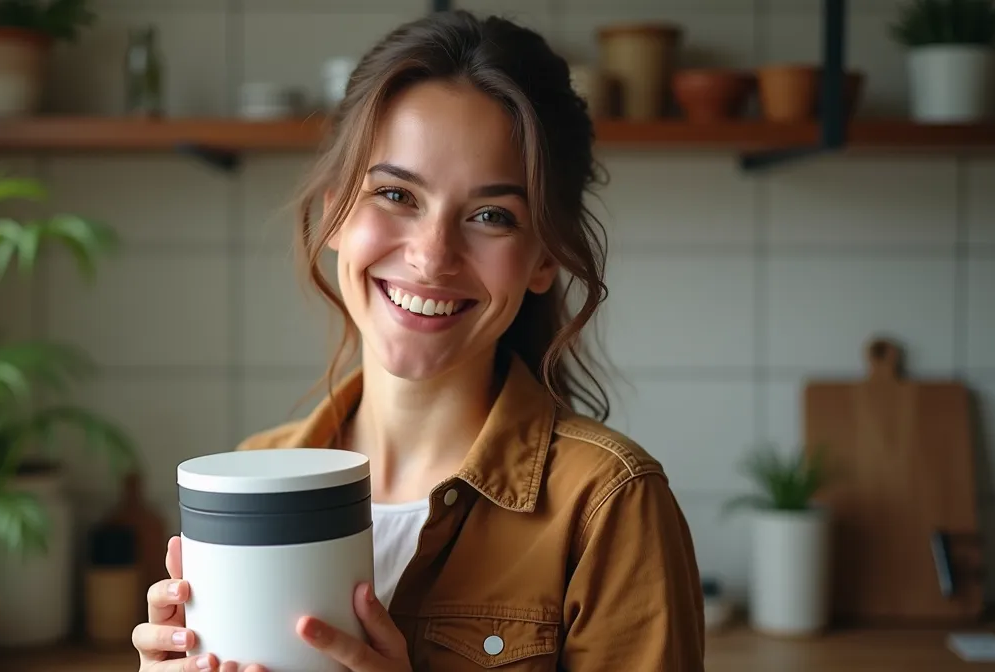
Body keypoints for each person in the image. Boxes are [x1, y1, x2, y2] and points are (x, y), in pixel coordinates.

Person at [134, 9, 705, 672]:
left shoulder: (609, 504)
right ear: (335, 213)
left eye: (491, 215)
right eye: (397, 195)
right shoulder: (254, 474)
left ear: (545, 257)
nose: (432, 257)